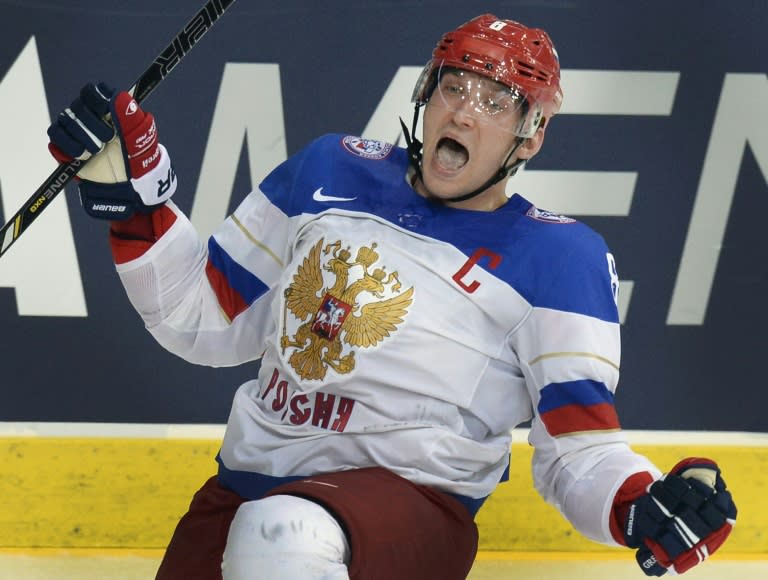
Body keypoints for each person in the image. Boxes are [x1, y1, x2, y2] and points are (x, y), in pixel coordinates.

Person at [47, 13, 737, 580]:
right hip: (249, 483)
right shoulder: (326, 171)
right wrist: (135, 199)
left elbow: (579, 449)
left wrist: (641, 503)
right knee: (268, 527)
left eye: (496, 103)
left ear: (531, 132)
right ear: (424, 94)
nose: (465, 115)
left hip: (408, 510)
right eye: (454, 89)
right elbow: (204, 317)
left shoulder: (560, 259)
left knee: (281, 535)